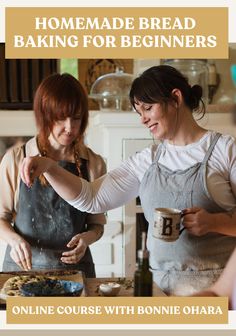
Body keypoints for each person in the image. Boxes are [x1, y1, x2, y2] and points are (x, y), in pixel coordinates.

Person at [20, 65, 236, 295]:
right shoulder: (147, 160)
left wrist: (214, 223)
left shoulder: (225, 150)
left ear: (175, 98)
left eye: (148, 108)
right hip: (159, 290)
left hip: (218, 291)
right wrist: (50, 167)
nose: (143, 119)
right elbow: (92, 199)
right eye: (138, 112)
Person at [0, 73, 106, 277]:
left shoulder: (93, 163)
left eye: (76, 118)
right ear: (44, 115)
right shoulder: (15, 159)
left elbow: (97, 224)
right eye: (60, 118)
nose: (70, 128)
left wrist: (87, 239)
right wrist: (15, 240)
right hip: (21, 272)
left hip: (76, 273)